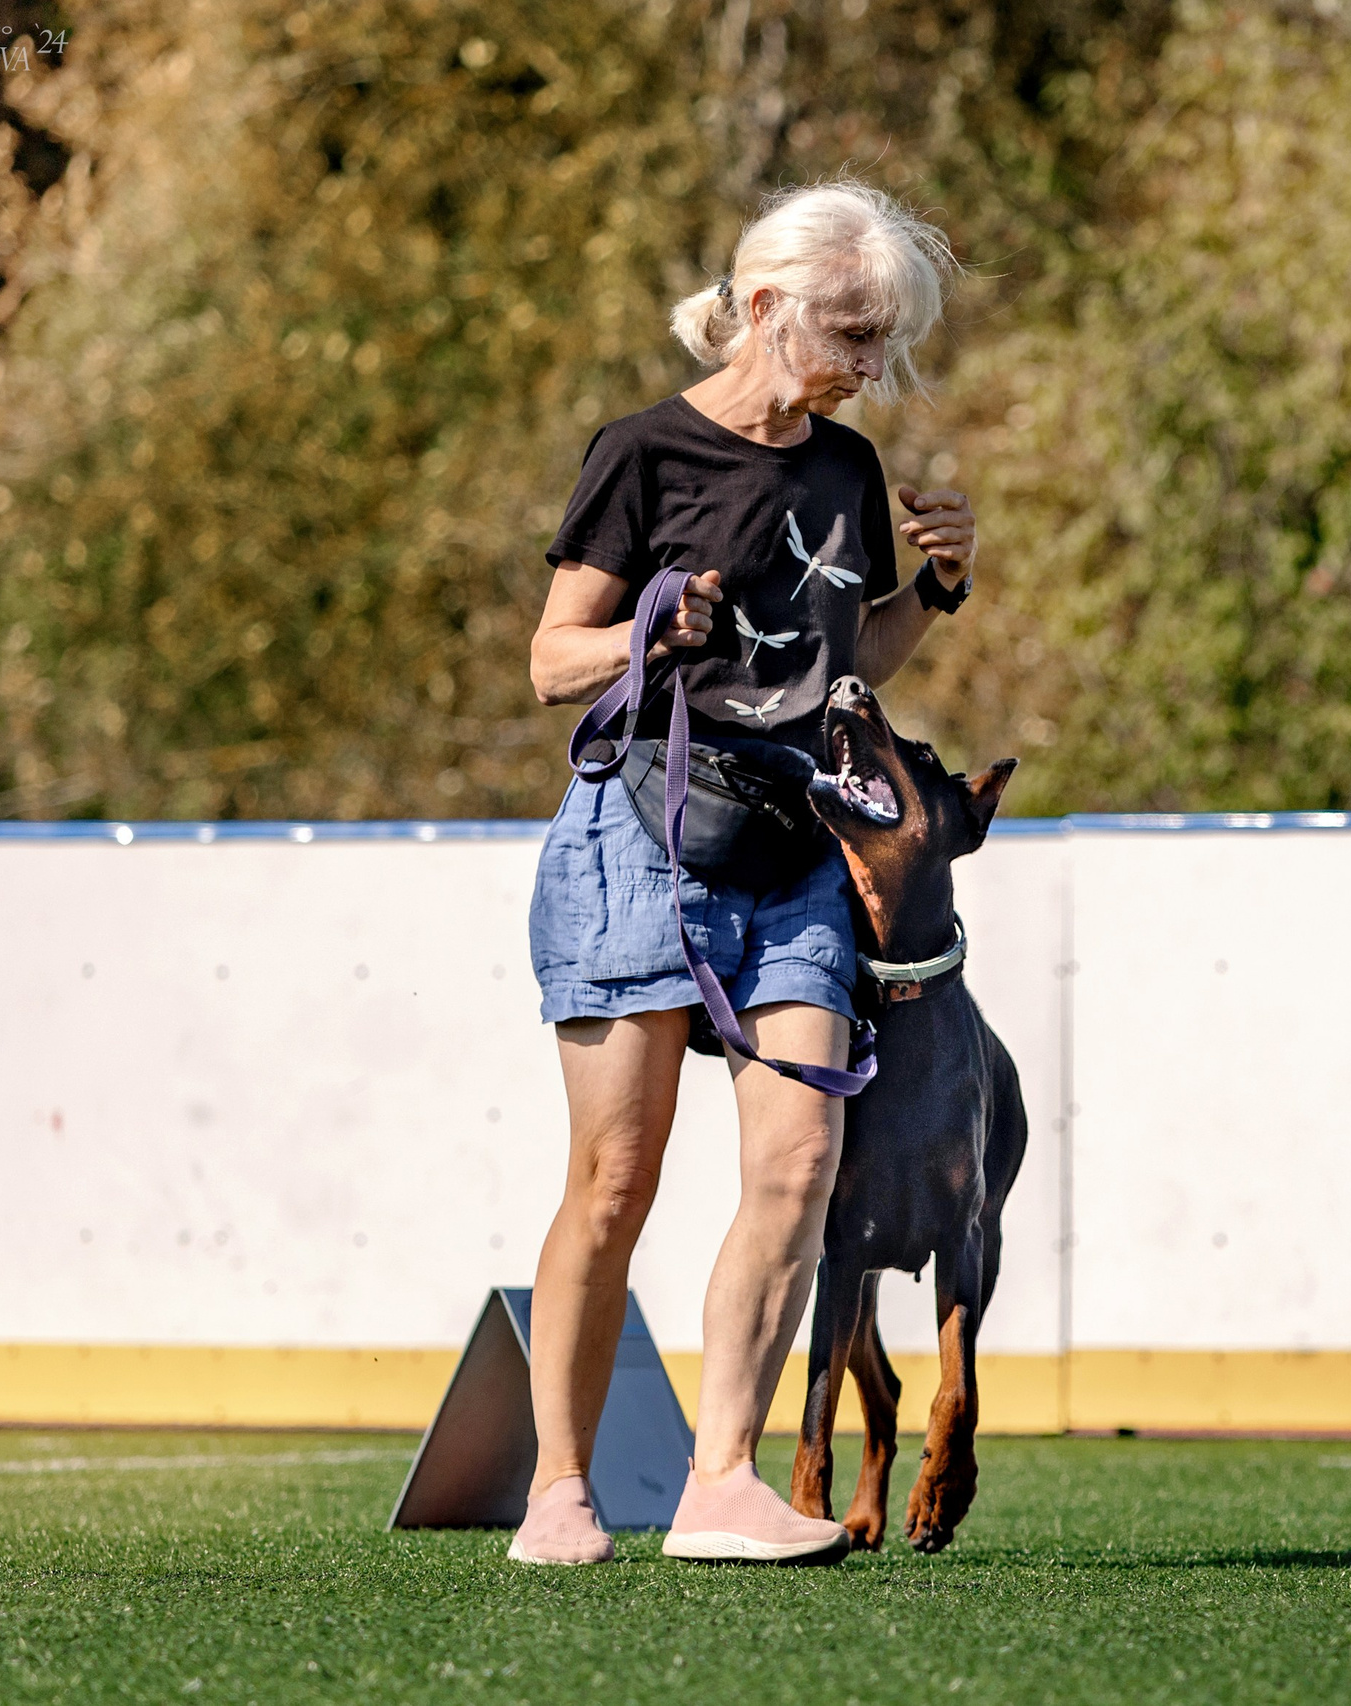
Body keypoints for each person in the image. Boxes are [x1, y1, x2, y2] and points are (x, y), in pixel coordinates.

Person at [514, 180, 976, 1565]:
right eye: (851, 331)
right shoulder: (643, 453)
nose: (868, 367)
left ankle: (720, 1479)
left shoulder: (842, 474)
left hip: (800, 848)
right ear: (764, 305)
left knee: (801, 1159)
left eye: (883, 341)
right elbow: (550, 662)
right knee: (617, 1175)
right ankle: (557, 1490)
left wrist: (931, 596)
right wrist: (649, 629)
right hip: (642, 831)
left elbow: (850, 663)